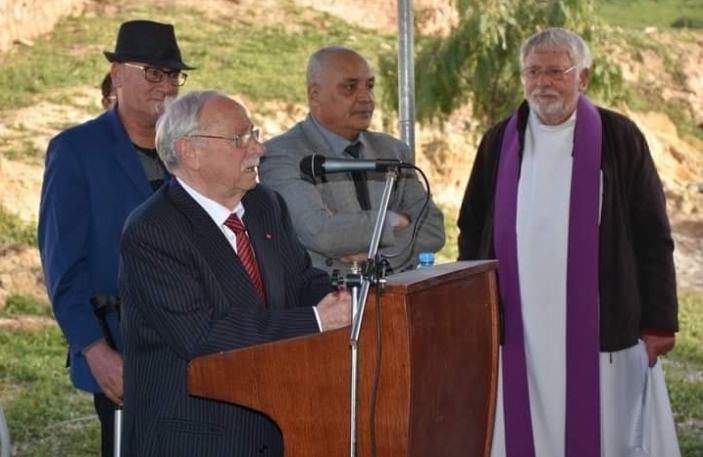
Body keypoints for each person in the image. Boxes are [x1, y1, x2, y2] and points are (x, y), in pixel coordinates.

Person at [457, 28, 680, 456]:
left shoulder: (619, 138)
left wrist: (658, 321)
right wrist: (475, 311)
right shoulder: (498, 142)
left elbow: (652, 234)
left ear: (583, 78)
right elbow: (472, 227)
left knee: (606, 434)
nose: (543, 83)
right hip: (518, 324)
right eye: (533, 72)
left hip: (600, 323)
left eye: (556, 72)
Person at [118, 89, 352, 457]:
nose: (259, 148)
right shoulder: (153, 230)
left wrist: (351, 299)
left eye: (253, 134)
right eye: (240, 138)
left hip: (276, 422)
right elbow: (201, 335)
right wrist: (317, 320)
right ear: (189, 152)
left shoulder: (265, 204)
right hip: (196, 439)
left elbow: (302, 282)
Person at [37, 19, 194, 457]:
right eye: (153, 73)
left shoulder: (189, 150)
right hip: (123, 353)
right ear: (119, 74)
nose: (166, 86)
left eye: (173, 75)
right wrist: (94, 350)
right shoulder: (76, 150)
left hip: (195, 350)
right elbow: (63, 267)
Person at [259, 45, 445, 274]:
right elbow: (322, 233)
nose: (366, 98)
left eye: (370, 86)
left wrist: (377, 259)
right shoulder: (283, 154)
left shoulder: (393, 151)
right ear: (314, 95)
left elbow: (432, 228)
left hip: (396, 292)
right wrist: (392, 220)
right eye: (350, 87)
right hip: (325, 294)